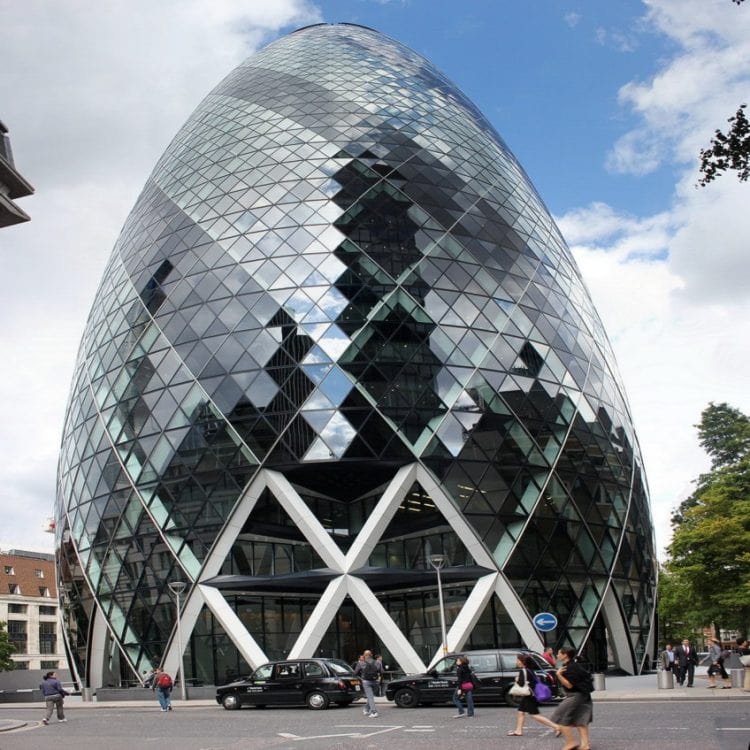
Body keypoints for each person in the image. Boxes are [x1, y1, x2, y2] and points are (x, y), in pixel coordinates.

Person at [506, 654, 560, 736]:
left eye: (518, 660)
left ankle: (557, 727)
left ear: (522, 662)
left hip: (529, 696)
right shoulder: (529, 670)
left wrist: (516, 680)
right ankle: (518, 731)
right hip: (530, 695)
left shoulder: (523, 671)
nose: (516, 662)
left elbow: (521, 684)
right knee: (520, 712)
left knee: (535, 715)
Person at [550, 648, 592, 750]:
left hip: (575, 695)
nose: (557, 655)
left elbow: (569, 685)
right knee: (580, 720)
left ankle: (571, 742)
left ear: (565, 655)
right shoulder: (574, 665)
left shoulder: (569, 667)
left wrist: (558, 675)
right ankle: (585, 745)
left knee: (561, 718)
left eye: (559, 653)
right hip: (583, 694)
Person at [354, 649, 382, 717]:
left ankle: (374, 712)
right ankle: (366, 709)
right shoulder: (378, 662)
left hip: (366, 682)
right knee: (371, 697)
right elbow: (381, 672)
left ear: (364, 655)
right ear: (371, 655)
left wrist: (361, 679)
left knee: (370, 697)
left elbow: (355, 673)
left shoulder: (361, 663)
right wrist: (378, 679)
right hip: (375, 681)